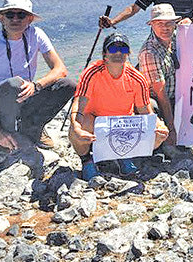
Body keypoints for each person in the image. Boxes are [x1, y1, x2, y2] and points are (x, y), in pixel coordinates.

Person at [0, 0, 75, 187]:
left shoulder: (36, 35)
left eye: (21, 15)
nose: (15, 19)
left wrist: (37, 85)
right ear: (1, 18)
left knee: (68, 85)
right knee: (15, 84)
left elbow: (60, 69)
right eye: (10, 14)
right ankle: (2, 142)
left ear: (30, 19)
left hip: (22, 94)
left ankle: (33, 128)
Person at [68, 33, 169, 181]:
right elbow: (79, 103)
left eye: (123, 49)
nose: (118, 53)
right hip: (96, 123)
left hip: (121, 125)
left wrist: (159, 127)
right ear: (104, 53)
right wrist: (75, 127)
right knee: (77, 126)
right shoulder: (91, 73)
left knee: (156, 132)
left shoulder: (136, 78)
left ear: (128, 53)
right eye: (113, 48)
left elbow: (146, 111)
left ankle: (123, 156)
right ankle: (87, 161)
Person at [138, 4, 179, 149]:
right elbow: (161, 95)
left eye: (169, 23)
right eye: (159, 23)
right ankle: (157, 141)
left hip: (176, 97)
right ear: (152, 25)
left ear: (175, 24)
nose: (165, 27)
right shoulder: (149, 53)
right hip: (160, 101)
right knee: (153, 105)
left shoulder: (176, 38)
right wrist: (172, 129)